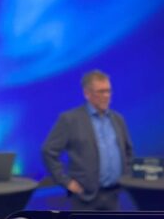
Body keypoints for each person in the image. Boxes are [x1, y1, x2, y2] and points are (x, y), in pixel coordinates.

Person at [42, 70, 133, 211]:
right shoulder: (70, 119)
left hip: (114, 196)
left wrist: (126, 176)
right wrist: (65, 182)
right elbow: (48, 151)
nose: (106, 95)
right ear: (87, 93)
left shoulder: (117, 119)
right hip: (85, 197)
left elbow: (128, 151)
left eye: (108, 91)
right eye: (101, 92)